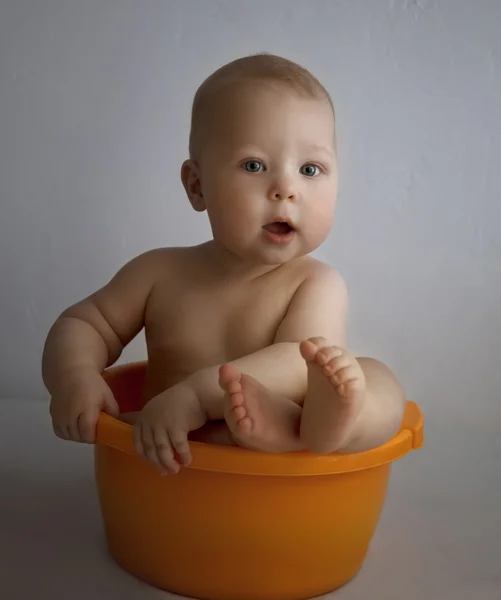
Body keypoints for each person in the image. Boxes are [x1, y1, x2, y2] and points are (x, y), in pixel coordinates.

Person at [42, 53, 406, 476]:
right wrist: (74, 375)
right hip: (174, 458)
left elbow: (298, 362)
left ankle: (328, 426)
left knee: (377, 382)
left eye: (310, 169)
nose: (286, 189)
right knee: (352, 378)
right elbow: (84, 324)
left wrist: (197, 396)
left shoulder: (314, 282)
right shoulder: (158, 273)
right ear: (197, 187)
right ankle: (288, 428)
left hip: (279, 467)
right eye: (254, 165)